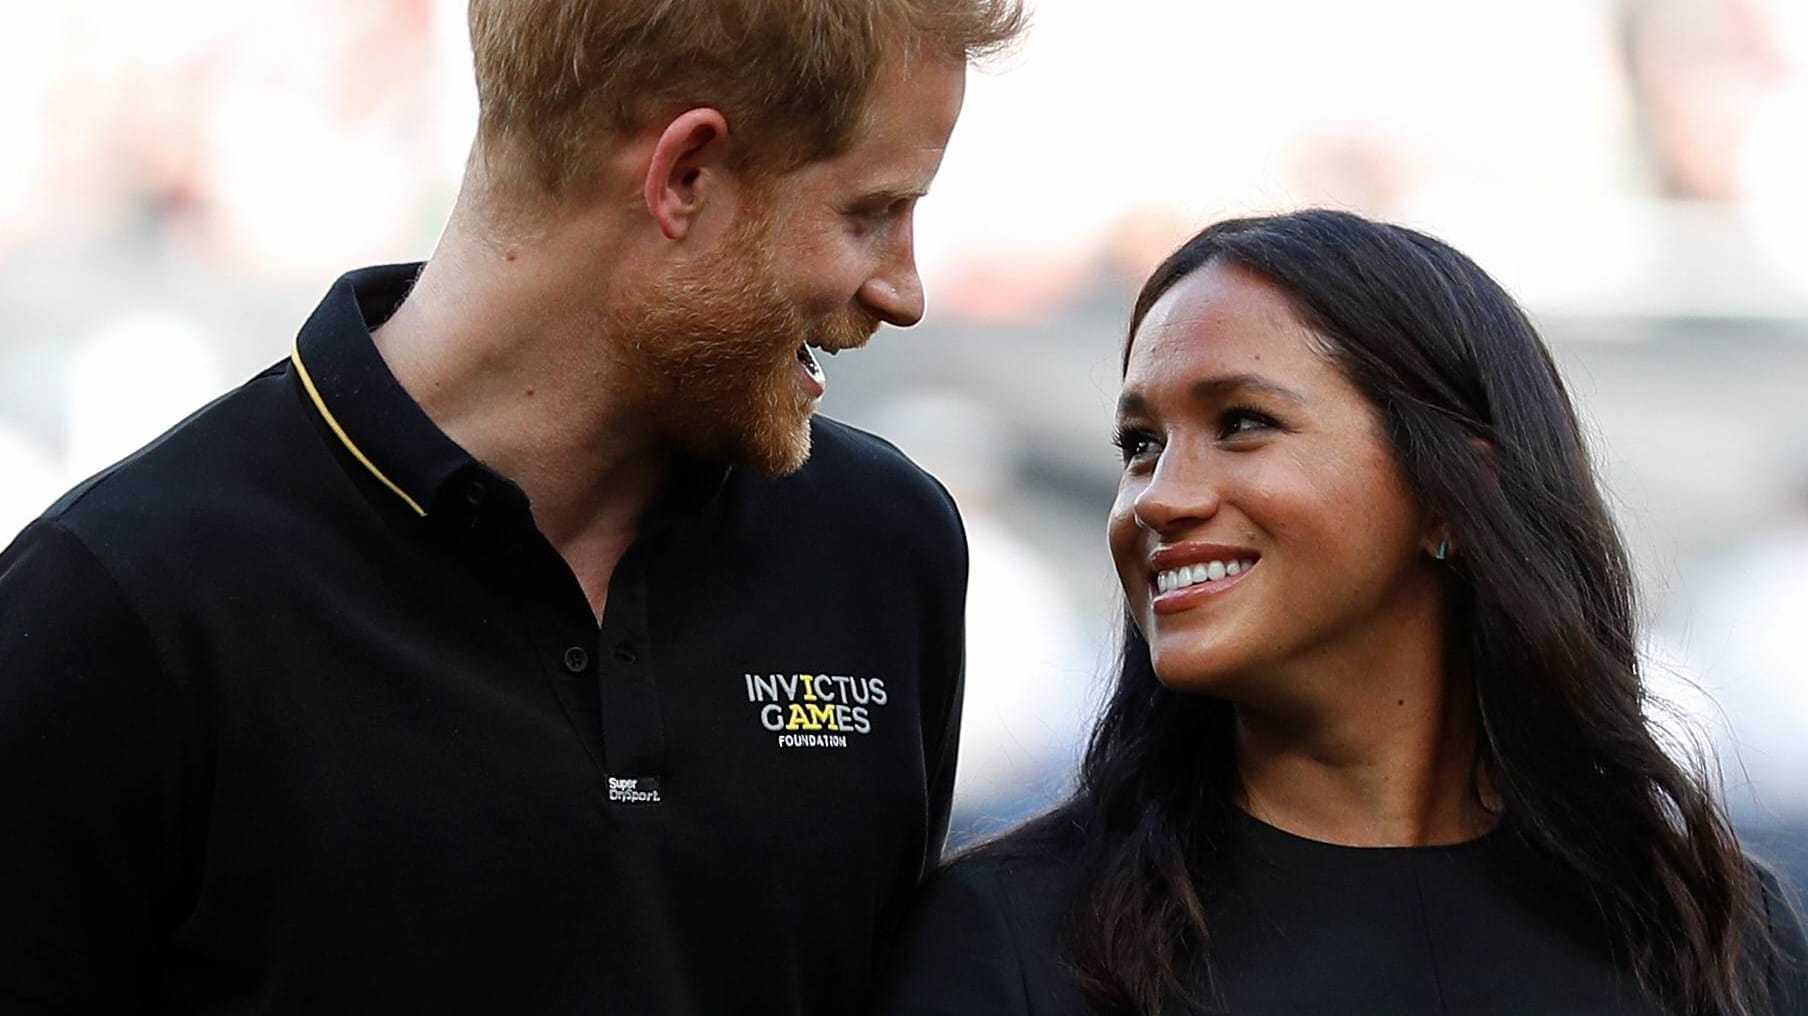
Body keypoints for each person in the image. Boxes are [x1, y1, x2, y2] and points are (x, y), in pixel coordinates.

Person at [0, 1, 1023, 1012]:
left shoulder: (884, 546)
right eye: (870, 213)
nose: (902, 291)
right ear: (686, 175)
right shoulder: (117, 605)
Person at [876, 209, 1808, 1015]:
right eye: (1139, 444)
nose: (1158, 497)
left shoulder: (1702, 924)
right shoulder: (1017, 939)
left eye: (1242, 421)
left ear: (1453, 491)